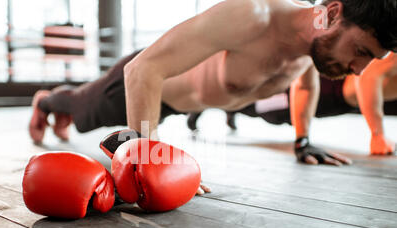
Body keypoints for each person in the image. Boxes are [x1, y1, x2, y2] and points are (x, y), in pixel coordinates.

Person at [29, 0, 396, 169]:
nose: (361, 70)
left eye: (371, 60)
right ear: (331, 13)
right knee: (80, 111)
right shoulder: (252, 15)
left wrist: (302, 140)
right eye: (361, 51)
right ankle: (46, 101)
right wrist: (150, 157)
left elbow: (305, 85)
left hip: (186, 104)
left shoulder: (312, 50)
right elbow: (142, 70)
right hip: (145, 85)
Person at [187, 52, 397, 158]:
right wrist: (377, 134)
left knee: (268, 112)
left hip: (334, 105)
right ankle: (205, 105)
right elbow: (368, 77)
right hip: (322, 90)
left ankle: (229, 109)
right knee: (262, 107)